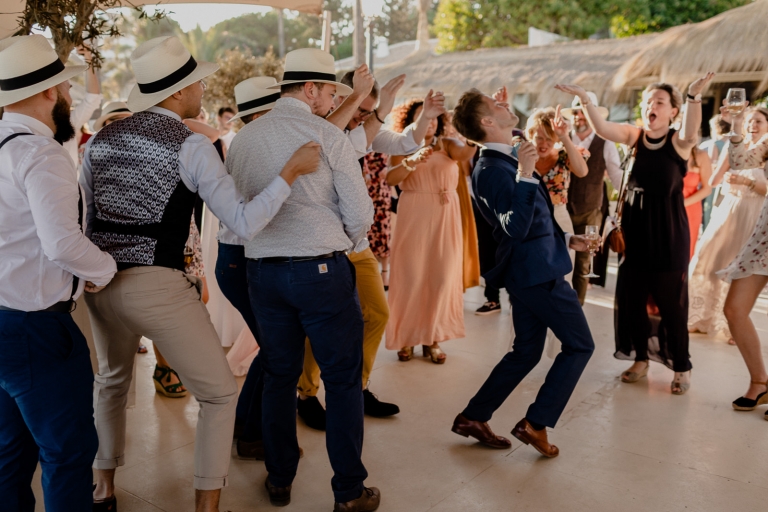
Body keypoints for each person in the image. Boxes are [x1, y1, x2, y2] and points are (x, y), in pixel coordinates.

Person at [81, 36, 320, 512]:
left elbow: (88, 215)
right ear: (176, 94)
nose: (203, 87)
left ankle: (103, 488)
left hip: (100, 283)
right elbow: (243, 221)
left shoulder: (100, 141)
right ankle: (206, 504)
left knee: (110, 382)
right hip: (157, 285)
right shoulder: (190, 145)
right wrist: (289, 173)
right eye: (196, 82)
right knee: (216, 393)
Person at [226, 48, 380, 511]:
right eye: (331, 90)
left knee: (279, 375)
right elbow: (360, 214)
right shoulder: (326, 135)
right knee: (343, 378)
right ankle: (349, 489)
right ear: (310, 89)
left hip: (263, 272)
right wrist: (337, 238)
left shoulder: (245, 139)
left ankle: (279, 476)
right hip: (320, 271)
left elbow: (240, 207)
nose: (333, 99)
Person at [0, 34, 117, 511]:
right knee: (68, 452)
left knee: (10, 451)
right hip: (36, 328)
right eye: (67, 88)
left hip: (4, 320)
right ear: (50, 92)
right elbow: (61, 242)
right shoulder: (40, 153)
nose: (71, 97)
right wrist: (105, 269)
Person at [294, 67, 446, 429]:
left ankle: (356, 388)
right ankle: (306, 393)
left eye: (369, 110)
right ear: (338, 99)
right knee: (321, 323)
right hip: (321, 243)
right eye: (359, 108)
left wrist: (425, 114)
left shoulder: (364, 130)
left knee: (377, 312)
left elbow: (405, 143)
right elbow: (347, 146)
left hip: (355, 242)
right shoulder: (316, 128)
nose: (363, 117)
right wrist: (377, 115)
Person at [449, 88, 596, 457]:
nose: (505, 107)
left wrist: (567, 237)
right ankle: (536, 423)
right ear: (485, 122)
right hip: (537, 274)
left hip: (535, 265)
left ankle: (473, 416)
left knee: (526, 352)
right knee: (580, 345)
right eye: (497, 107)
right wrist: (527, 173)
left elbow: (534, 217)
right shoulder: (489, 169)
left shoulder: (508, 150)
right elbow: (513, 226)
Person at [556, 73, 714, 395]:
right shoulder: (634, 136)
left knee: (671, 305)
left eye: (659, 102)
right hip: (636, 233)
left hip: (669, 234)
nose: (650, 106)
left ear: (672, 111)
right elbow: (603, 128)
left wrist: (694, 96)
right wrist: (586, 99)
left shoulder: (679, 143)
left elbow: (691, 130)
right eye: (646, 101)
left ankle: (681, 366)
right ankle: (640, 359)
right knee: (633, 301)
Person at [215, 76, 282, 460]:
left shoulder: (249, 142)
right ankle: (250, 431)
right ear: (260, 114)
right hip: (240, 258)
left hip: (238, 257)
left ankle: (244, 425)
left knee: (272, 345)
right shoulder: (252, 147)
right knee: (275, 346)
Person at [386, 98, 476, 364]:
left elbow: (466, 153)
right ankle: (407, 338)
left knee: (440, 278)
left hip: (445, 214)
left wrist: (476, 127)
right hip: (414, 213)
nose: (431, 122)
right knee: (411, 277)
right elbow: (390, 179)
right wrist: (411, 161)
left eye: (435, 117)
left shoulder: (447, 144)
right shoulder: (401, 145)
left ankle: (433, 339)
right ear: (411, 121)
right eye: (425, 116)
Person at [688, 107, 768, 342]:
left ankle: (732, 323)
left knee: (740, 272)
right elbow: (714, 179)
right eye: (750, 120)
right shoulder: (740, 147)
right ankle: (699, 316)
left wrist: (746, 181)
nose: (753, 125)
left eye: (759, 121)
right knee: (706, 260)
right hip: (729, 210)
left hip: (755, 216)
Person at [717, 104, 768, 419]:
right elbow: (739, 162)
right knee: (734, 309)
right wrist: (736, 125)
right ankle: (760, 381)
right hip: (765, 236)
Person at [561, 92, 623, 304]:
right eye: (576, 112)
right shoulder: (564, 138)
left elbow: (617, 177)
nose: (579, 116)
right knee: (558, 259)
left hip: (591, 212)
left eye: (584, 112)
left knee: (583, 263)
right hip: (562, 208)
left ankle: (577, 307)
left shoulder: (605, 142)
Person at [525, 107, 589, 284]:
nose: (543, 144)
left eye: (549, 139)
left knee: (561, 276)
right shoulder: (522, 156)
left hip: (559, 216)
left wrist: (564, 137)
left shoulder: (565, 155)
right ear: (530, 134)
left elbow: (582, 171)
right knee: (529, 275)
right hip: (529, 218)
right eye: (539, 137)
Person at [63, 45, 102, 165]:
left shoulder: (69, 122)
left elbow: (92, 98)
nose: (70, 97)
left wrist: (88, 58)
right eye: (67, 89)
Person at [700, 115, 731, 230]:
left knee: (709, 210)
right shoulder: (732, 142)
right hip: (727, 183)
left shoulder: (715, 144)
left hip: (715, 183)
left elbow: (711, 166)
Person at [683, 145, 713, 257]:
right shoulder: (667, 153)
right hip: (666, 206)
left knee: (685, 250)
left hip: (690, 209)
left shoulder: (701, 155)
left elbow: (707, 188)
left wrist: (682, 204)